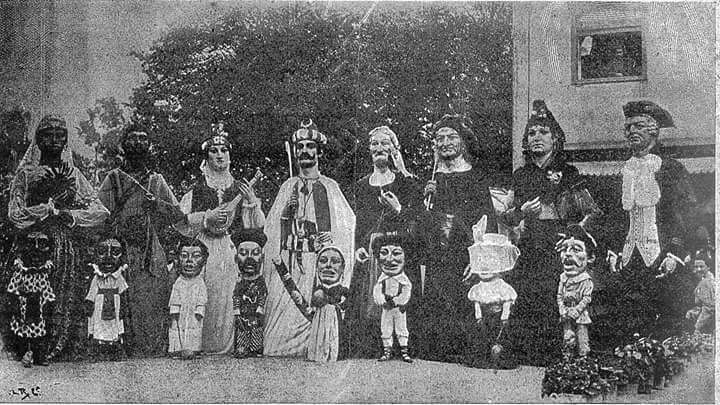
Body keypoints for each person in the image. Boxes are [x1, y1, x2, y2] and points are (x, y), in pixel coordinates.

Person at [499, 100, 600, 366]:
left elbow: (591, 212)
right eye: (531, 133)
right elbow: (506, 216)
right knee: (525, 293)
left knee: (557, 296)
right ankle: (526, 354)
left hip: (559, 244)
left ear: (555, 138)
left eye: (543, 132)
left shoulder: (568, 173)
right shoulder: (520, 175)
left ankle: (559, 354)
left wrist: (572, 234)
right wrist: (521, 212)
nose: (536, 138)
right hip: (530, 242)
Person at [8, 114, 109, 360]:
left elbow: (100, 212)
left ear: (66, 140)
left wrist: (69, 215)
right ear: (38, 139)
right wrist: (43, 210)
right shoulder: (26, 174)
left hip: (63, 246)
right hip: (31, 246)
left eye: (60, 134)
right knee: (28, 295)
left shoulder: (74, 175)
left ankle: (55, 345)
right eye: (48, 134)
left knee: (61, 293)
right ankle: (27, 346)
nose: (54, 140)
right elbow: (14, 213)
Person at [603, 101, 699, 343]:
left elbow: (685, 213)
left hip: (662, 253)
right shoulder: (624, 170)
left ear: (654, 131)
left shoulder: (671, 169)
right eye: (627, 128)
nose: (631, 132)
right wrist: (614, 249)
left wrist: (675, 251)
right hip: (629, 255)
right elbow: (617, 216)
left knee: (665, 315)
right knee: (630, 313)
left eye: (638, 126)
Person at [263, 120, 355, 357]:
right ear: (295, 152)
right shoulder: (288, 186)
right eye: (300, 146)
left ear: (318, 152)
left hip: (317, 263)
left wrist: (331, 238)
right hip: (290, 262)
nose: (305, 151)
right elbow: (272, 228)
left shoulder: (330, 187)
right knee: (275, 342)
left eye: (310, 146)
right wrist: (287, 213)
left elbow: (347, 225)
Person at [413, 114, 497, 362]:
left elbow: (487, 221)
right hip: (439, 253)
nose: (445, 142)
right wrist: (425, 200)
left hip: (465, 253)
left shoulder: (475, 177)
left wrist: (479, 259)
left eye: (451, 137)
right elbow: (424, 222)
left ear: (462, 142)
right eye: (440, 138)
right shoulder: (433, 178)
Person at [98, 124, 184, 356]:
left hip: (149, 250)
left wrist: (155, 203)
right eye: (132, 139)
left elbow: (177, 215)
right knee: (118, 296)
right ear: (123, 145)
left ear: (149, 146)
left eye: (143, 140)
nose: (137, 144)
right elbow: (99, 213)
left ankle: (152, 350)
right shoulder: (114, 178)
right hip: (120, 249)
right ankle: (118, 347)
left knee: (151, 298)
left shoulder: (156, 180)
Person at [176, 130, 265, 354]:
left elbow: (256, 227)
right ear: (207, 158)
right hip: (203, 248)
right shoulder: (196, 190)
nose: (219, 155)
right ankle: (197, 345)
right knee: (201, 295)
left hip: (228, 248)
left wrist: (252, 201)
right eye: (214, 151)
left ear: (230, 156)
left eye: (223, 150)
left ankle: (230, 346)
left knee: (228, 297)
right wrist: (206, 218)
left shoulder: (239, 188)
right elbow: (180, 223)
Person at [347, 125, 419, 358]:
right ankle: (373, 346)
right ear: (369, 150)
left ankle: (402, 346)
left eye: (384, 144)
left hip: (397, 251)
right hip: (369, 251)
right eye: (375, 144)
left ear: (393, 149)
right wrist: (358, 246)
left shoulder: (404, 182)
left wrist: (398, 208)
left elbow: (415, 218)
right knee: (370, 295)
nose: (379, 148)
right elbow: (357, 221)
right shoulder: (361, 185)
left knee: (397, 295)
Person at [6, 229, 56, 367]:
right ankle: (23, 354)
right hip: (23, 307)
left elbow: (47, 291)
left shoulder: (42, 274)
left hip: (37, 308)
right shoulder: (20, 272)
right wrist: (14, 305)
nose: (35, 251)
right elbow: (13, 289)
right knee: (22, 333)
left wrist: (48, 304)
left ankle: (39, 357)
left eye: (41, 245)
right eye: (30, 245)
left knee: (39, 334)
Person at [85, 234, 129, 361]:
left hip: (114, 307)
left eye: (115, 252)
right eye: (102, 252)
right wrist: (89, 304)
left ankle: (115, 351)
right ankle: (97, 352)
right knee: (98, 327)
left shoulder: (118, 277)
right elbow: (91, 294)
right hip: (99, 308)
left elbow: (123, 293)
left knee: (114, 328)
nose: (108, 257)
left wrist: (123, 309)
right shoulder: (97, 278)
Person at [556, 224, 596, 359]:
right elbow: (559, 295)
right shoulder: (563, 278)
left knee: (582, 337)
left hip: (579, 313)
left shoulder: (585, 280)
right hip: (566, 312)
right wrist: (562, 308)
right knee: (567, 337)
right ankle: (567, 360)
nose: (567, 254)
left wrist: (577, 310)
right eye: (565, 249)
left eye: (576, 249)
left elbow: (586, 298)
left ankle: (583, 361)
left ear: (590, 258)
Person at [372, 233, 413, 363]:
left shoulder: (403, 279)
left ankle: (404, 352)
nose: (389, 260)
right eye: (384, 253)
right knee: (386, 328)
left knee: (401, 328)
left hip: (398, 307)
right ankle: (387, 351)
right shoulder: (382, 278)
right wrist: (380, 298)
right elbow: (377, 289)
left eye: (396, 254)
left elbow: (407, 289)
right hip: (386, 307)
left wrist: (399, 300)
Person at [307, 246, 350, 362]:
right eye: (323, 261)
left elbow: (347, 302)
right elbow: (314, 302)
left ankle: (335, 353)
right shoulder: (318, 288)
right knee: (319, 333)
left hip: (335, 318)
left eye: (335, 262)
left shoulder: (341, 289)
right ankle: (318, 352)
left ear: (342, 268)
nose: (328, 265)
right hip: (320, 317)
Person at [168, 238, 208, 360]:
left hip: (193, 315)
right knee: (177, 329)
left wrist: (200, 309)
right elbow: (175, 296)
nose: (189, 262)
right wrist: (174, 309)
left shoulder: (200, 283)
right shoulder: (179, 282)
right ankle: (177, 349)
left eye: (196, 256)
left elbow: (202, 298)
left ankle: (194, 349)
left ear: (203, 261)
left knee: (194, 329)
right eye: (184, 256)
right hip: (180, 314)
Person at [231, 229, 268, 358]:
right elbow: (236, 295)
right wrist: (236, 309)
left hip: (256, 312)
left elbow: (263, 294)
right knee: (241, 328)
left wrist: (260, 307)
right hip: (243, 311)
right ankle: (242, 347)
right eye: (244, 253)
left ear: (262, 258)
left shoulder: (260, 281)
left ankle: (256, 348)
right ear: (236, 258)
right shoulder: (240, 282)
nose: (249, 258)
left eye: (255, 253)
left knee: (256, 328)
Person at [685, 248, 714, 335]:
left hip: (705, 326)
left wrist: (697, 328)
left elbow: (709, 308)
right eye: (696, 267)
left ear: (708, 267)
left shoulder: (706, 282)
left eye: (701, 266)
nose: (698, 269)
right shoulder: (706, 279)